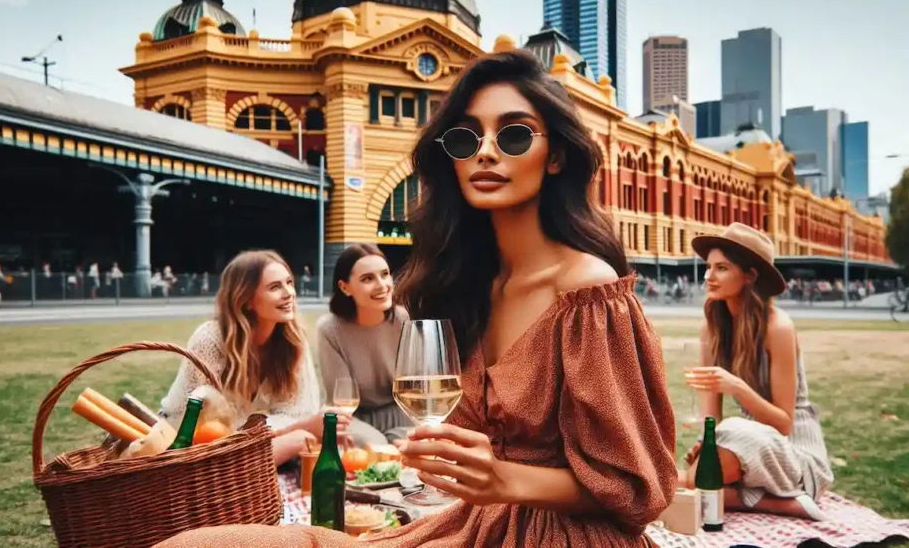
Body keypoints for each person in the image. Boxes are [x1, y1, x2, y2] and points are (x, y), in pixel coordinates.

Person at [156, 50, 677, 547]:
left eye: (515, 135)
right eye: (466, 138)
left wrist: (506, 479)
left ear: (557, 156)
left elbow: (639, 488)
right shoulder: (471, 287)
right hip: (474, 526)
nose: (486, 151)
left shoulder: (588, 290)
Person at [681, 222, 833, 521]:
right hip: (742, 438)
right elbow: (712, 416)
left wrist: (738, 388)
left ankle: (785, 500)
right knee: (689, 479)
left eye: (721, 268)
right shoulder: (712, 328)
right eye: (708, 267)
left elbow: (784, 423)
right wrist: (707, 440)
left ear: (750, 276)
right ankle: (778, 503)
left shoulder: (778, 328)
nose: (709, 276)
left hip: (795, 451)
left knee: (697, 479)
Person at [159, 250, 350, 466]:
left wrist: (305, 428)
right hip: (188, 455)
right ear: (247, 299)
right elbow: (199, 431)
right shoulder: (210, 340)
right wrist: (301, 430)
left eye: (289, 283)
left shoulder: (293, 341)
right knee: (299, 440)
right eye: (275, 287)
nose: (289, 293)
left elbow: (298, 413)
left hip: (252, 456)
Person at [316, 243, 412, 447]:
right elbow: (341, 402)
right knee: (373, 444)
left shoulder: (404, 320)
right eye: (368, 278)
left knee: (409, 442)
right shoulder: (330, 330)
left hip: (402, 415)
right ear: (344, 287)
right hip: (353, 420)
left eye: (385, 274)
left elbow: (417, 391)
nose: (382, 285)